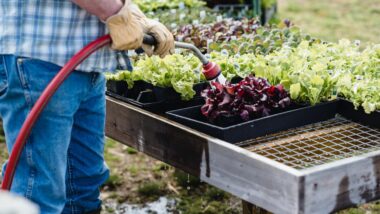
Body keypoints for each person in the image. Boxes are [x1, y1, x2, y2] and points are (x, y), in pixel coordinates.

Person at [0, 0, 174, 213]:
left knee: (82, 186)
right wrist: (117, 13)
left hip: (85, 62)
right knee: (38, 192)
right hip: (42, 58)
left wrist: (135, 17)